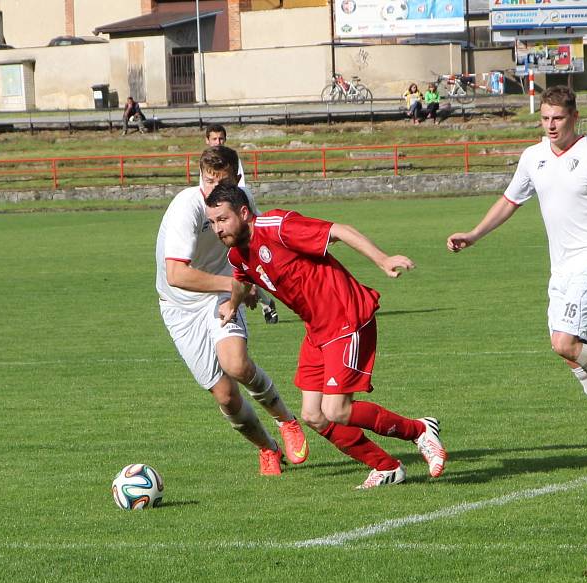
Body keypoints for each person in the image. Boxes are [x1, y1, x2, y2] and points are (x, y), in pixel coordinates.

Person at [446, 86, 587, 446]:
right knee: (575, 357)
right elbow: (510, 200)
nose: (551, 125)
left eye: (557, 118)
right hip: (560, 269)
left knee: (564, 343)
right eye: (544, 118)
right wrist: (474, 234)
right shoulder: (533, 156)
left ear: (574, 117)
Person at [205, 183, 448, 489]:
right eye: (212, 222)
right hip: (317, 329)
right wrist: (233, 303)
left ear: (243, 212)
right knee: (313, 415)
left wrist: (382, 260)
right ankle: (386, 467)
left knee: (337, 410)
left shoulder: (277, 226)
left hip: (345, 316)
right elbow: (241, 278)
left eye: (222, 219)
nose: (217, 228)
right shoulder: (238, 255)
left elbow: (340, 230)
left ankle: (419, 431)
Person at [155, 145, 308, 475]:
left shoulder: (242, 202)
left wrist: (246, 283)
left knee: (236, 363)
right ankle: (268, 449)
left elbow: (250, 244)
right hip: (180, 307)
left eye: (220, 183)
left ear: (237, 180)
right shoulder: (187, 207)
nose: (212, 191)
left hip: (220, 290)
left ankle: (287, 421)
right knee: (226, 397)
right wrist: (235, 286)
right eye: (207, 182)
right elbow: (176, 275)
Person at [204, 123, 278, 325]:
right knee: (239, 273)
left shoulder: (231, 160)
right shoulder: (205, 164)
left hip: (233, 216)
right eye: (214, 139)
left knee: (246, 268)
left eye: (221, 139)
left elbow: (239, 190)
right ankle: (264, 302)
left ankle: (263, 302)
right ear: (207, 140)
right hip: (217, 221)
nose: (218, 142)